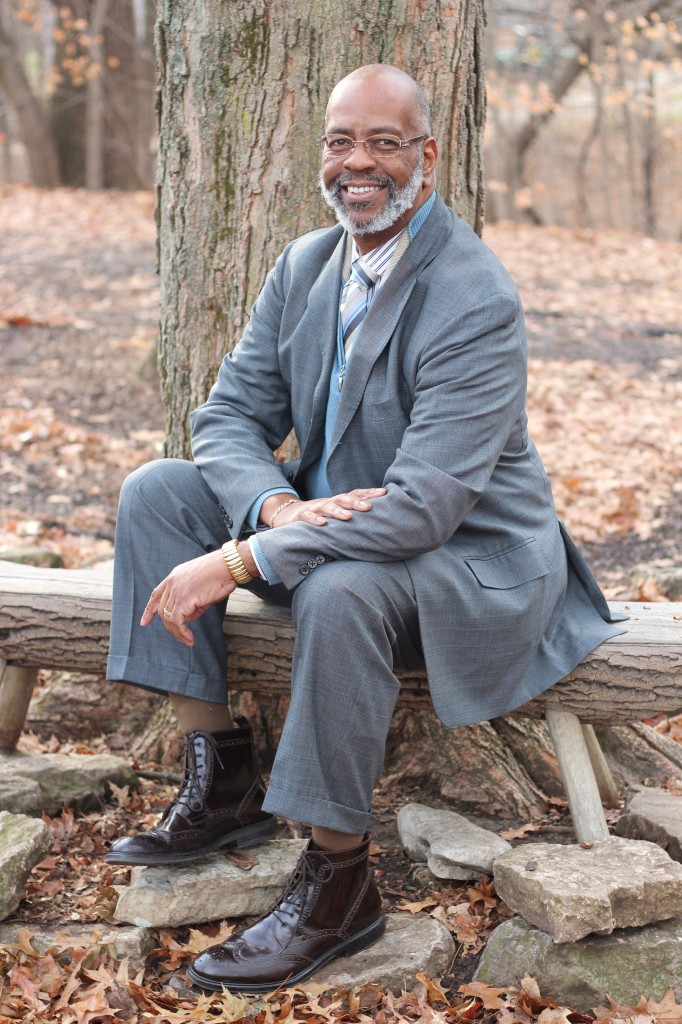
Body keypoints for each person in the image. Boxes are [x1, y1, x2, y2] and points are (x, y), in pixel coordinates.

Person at [105, 64, 625, 993]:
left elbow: (425, 506)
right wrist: (273, 508)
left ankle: (340, 881)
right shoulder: (307, 264)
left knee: (343, 587)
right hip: (327, 518)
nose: (360, 164)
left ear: (426, 156)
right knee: (156, 491)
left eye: (384, 143)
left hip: (466, 558)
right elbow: (227, 419)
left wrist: (243, 557)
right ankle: (221, 776)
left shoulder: (473, 296)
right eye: (342, 142)